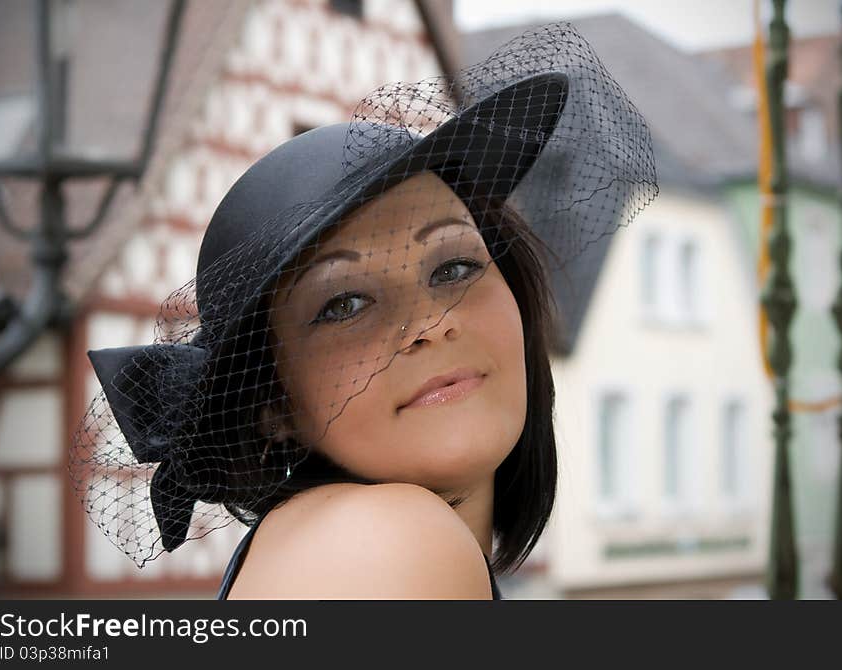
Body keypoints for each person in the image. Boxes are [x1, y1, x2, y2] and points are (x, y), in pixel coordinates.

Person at [71, 21, 657, 599]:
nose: (430, 324)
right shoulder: (388, 542)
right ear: (272, 402)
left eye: (453, 268)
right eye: (345, 304)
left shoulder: (344, 542)